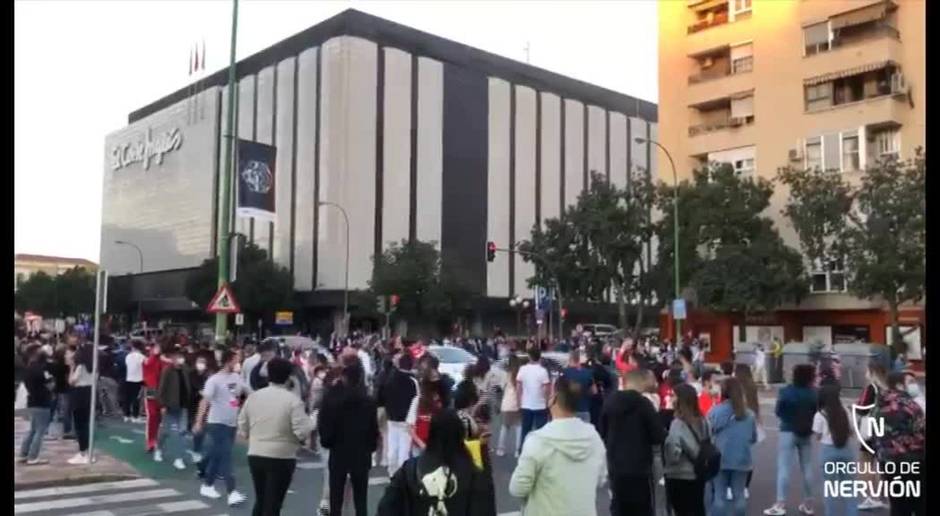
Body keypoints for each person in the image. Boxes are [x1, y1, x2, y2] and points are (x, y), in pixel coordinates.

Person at [509, 376, 606, 516]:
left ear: (553, 399)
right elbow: (601, 478)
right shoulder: (593, 437)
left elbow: (517, 488)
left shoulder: (538, 440)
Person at [377, 409, 496, 516]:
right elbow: (486, 509)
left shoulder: (409, 470)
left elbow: (386, 508)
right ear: (460, 435)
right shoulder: (475, 474)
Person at [238, 357, 315, 516]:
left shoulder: (254, 397)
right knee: (273, 503)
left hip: (256, 453)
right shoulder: (293, 401)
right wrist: (313, 420)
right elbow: (302, 431)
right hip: (282, 455)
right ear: (288, 377)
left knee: (261, 499)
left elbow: (243, 427)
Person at [601, 368, 667, 516]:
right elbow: (657, 435)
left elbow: (603, 431)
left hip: (615, 463)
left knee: (618, 504)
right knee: (641, 506)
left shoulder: (610, 402)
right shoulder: (643, 404)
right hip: (639, 465)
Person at [319, 356, 379, 516]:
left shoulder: (332, 399)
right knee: (361, 498)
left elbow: (324, 424)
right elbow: (373, 429)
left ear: (344, 378)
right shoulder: (368, 402)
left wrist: (327, 441)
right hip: (361, 452)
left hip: (338, 450)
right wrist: (371, 447)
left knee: (336, 495)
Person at [194, 349, 247, 506]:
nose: (238, 363)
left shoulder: (237, 377)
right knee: (226, 456)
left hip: (231, 423)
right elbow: (204, 401)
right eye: (236, 360)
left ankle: (207, 485)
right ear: (228, 361)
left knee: (217, 455)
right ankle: (232, 492)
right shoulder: (214, 380)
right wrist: (198, 421)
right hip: (216, 423)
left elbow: (246, 392)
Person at [764, 364, 818, 516]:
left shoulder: (786, 391)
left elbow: (778, 411)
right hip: (806, 431)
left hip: (787, 429)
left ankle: (780, 503)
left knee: (784, 467)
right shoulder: (813, 393)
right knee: (807, 466)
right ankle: (808, 504)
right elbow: (816, 411)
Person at [876, 371, 926, 516]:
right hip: (912, 460)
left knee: (898, 504)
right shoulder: (911, 405)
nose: (914, 385)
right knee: (918, 503)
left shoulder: (879, 404)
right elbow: (920, 433)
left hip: (888, 461)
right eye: (910, 382)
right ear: (899, 384)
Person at [708, 377, 757, 516]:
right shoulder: (749, 414)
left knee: (719, 496)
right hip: (742, 458)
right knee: (739, 495)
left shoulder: (715, 411)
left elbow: (708, 433)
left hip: (720, 458)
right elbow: (753, 438)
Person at [813, 384, 858, 516]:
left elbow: (818, 435)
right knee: (849, 488)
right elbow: (851, 431)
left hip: (828, 451)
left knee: (830, 489)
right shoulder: (845, 410)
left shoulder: (820, 414)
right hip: (846, 450)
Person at [663, 383, 707, 516]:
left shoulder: (677, 424)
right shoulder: (704, 420)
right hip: (699, 471)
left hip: (679, 474)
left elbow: (673, 453)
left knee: (682, 510)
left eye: (673, 396)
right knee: (698, 507)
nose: (671, 398)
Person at [855, 361, 889, 511]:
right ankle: (882, 496)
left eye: (867, 371)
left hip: (869, 429)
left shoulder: (871, 388)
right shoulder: (886, 388)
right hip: (883, 428)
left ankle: (870, 497)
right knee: (881, 463)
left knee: (866, 463)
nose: (865, 374)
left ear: (872, 372)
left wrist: (854, 408)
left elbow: (862, 408)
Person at [378, 352, 419, 476]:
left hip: (392, 419)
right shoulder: (413, 381)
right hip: (407, 421)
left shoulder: (390, 378)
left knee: (392, 448)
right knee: (404, 451)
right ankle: (402, 476)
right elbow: (417, 401)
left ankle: (392, 472)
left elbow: (383, 397)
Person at [156, 346, 191, 470]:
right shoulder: (167, 370)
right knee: (166, 431)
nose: (180, 359)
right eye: (177, 357)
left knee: (182, 432)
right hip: (170, 405)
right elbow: (161, 388)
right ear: (172, 358)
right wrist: (162, 404)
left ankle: (179, 458)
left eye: (181, 356)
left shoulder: (185, 370)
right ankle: (159, 449)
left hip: (183, 405)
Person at [18, 345, 54, 465]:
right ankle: (33, 456)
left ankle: (23, 454)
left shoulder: (27, 369)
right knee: (40, 430)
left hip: (32, 401)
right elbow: (50, 385)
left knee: (32, 429)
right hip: (42, 402)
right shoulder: (41, 370)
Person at [733, 363, 762, 500]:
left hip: (738, 421)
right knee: (747, 455)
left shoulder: (736, 386)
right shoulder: (752, 386)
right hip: (751, 421)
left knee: (732, 453)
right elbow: (756, 405)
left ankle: (733, 484)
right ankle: (744, 487)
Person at [66, 343, 96, 465]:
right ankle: (88, 452)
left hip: (79, 394)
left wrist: (71, 368)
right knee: (86, 424)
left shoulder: (80, 367)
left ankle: (83, 452)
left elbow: (71, 381)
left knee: (80, 425)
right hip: (90, 394)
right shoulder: (93, 366)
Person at [516, 347, 551, 451]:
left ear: (529, 356)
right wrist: (547, 403)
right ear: (539, 357)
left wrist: (519, 403)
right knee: (541, 432)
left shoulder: (522, 369)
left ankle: (523, 451)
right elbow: (546, 390)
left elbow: (518, 388)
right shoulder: (543, 371)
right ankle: (540, 452)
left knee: (525, 430)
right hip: (540, 405)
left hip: (526, 405)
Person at [407, 368, 446, 455]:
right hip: (420, 446)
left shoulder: (442, 401)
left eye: (437, 377)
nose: (436, 380)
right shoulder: (418, 401)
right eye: (433, 377)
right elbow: (410, 426)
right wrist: (422, 445)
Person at [142, 340, 167, 454]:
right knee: (152, 417)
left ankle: (157, 441)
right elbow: (148, 365)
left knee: (163, 418)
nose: (155, 349)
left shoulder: (165, 361)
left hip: (164, 392)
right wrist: (154, 355)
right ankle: (151, 442)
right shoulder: (147, 360)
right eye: (153, 347)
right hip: (152, 391)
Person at [496, 353, 522, 458]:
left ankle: (500, 449)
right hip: (517, 403)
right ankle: (517, 451)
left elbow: (500, 389)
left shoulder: (506, 375)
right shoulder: (520, 374)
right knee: (519, 428)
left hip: (506, 403)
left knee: (505, 427)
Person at [561, 349, 595, 423]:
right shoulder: (588, 372)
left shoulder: (565, 373)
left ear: (570, 359)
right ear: (578, 359)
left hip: (570, 410)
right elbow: (594, 391)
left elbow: (560, 391)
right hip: (584, 409)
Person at [123, 341, 145, 423]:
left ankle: (126, 415)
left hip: (129, 378)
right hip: (138, 379)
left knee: (127, 398)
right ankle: (135, 416)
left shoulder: (128, 356)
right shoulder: (142, 357)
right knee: (136, 399)